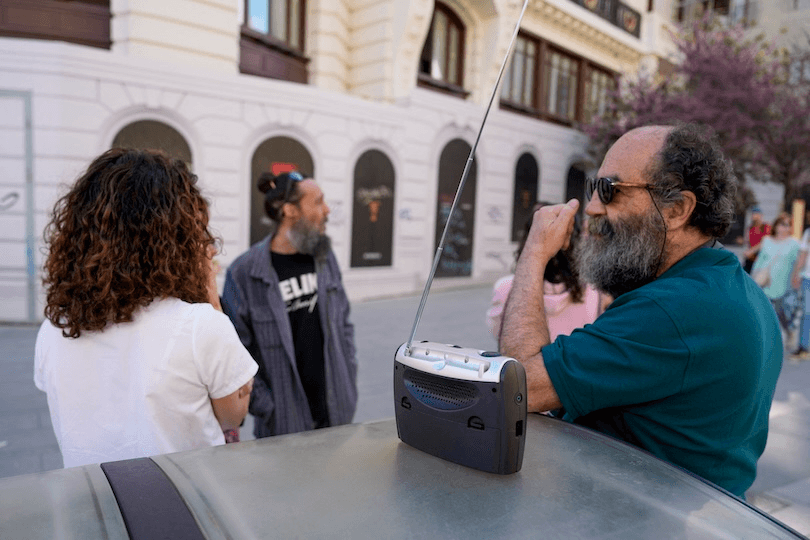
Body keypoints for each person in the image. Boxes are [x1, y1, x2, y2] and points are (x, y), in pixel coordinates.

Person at [500, 124, 782, 498]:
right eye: (592, 189)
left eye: (610, 191)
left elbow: (519, 386)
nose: (592, 207)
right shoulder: (738, 289)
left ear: (677, 209)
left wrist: (534, 253)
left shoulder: (670, 309)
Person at [34, 148, 258, 468]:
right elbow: (232, 418)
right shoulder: (201, 326)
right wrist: (209, 291)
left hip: (94, 503)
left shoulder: (55, 327)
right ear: (178, 236)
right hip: (182, 502)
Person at [222, 171, 358, 438]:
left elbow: (344, 324)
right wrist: (267, 407)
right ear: (289, 210)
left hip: (337, 414)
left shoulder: (324, 257)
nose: (327, 210)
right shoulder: (244, 273)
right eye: (318, 202)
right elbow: (237, 352)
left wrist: (348, 381)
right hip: (283, 425)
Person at [486, 202, 604, 344]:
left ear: (527, 239)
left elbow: (499, 335)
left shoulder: (506, 288)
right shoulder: (593, 292)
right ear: (575, 242)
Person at [751, 213, 800, 335]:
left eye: (788, 225)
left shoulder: (794, 244)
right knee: (764, 312)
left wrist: (796, 278)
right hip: (766, 281)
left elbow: (798, 263)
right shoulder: (767, 240)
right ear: (776, 226)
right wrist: (753, 278)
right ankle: (768, 338)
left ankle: (789, 332)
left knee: (782, 313)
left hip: (783, 283)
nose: (785, 228)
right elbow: (760, 260)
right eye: (782, 225)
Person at [743, 206, 771, 273]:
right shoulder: (750, 228)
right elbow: (749, 242)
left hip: (762, 257)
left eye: (757, 214)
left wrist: (752, 251)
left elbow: (765, 242)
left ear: (761, 216)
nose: (755, 216)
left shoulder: (766, 227)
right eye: (754, 214)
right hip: (752, 258)